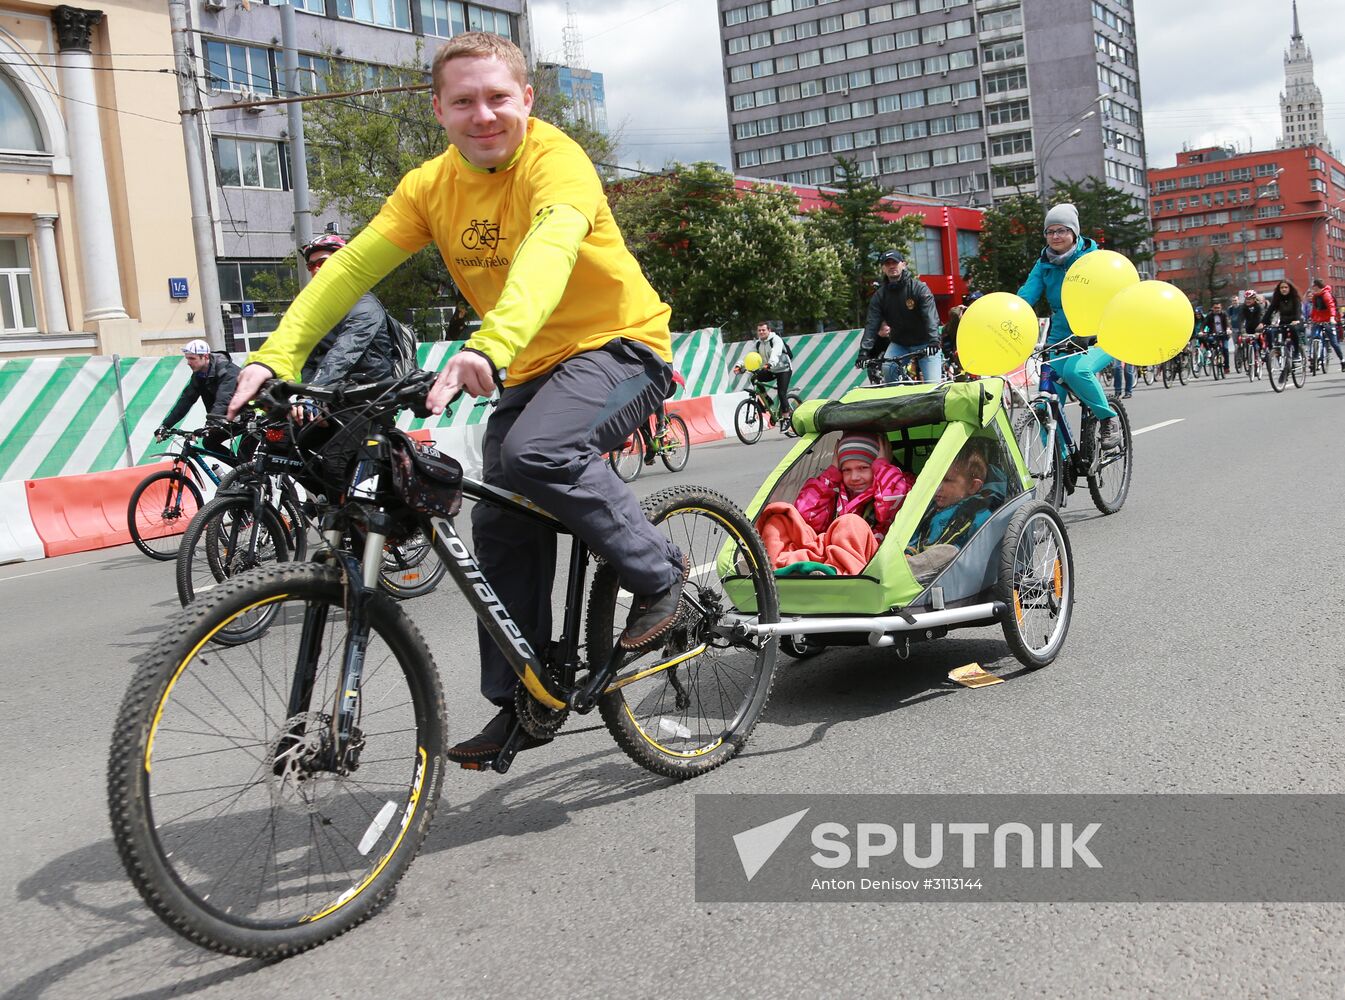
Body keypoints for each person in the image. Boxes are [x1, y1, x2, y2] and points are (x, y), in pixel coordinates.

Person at [227, 32, 683, 764]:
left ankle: (660, 576)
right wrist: (274, 358)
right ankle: (526, 699)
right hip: (526, 363)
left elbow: (550, 249)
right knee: (499, 522)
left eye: (499, 97)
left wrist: (487, 345)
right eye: (464, 101)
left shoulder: (555, 160)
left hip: (618, 347)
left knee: (540, 453)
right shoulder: (427, 188)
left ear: (525, 100)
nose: (484, 114)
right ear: (437, 109)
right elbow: (347, 273)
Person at [1016, 203, 1122, 451]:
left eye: (1062, 230)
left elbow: (1114, 295)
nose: (1055, 236)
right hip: (1061, 338)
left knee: (1077, 371)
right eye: (1050, 231)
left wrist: (1095, 331)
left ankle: (1109, 419)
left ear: (1074, 233)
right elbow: (1025, 297)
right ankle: (1061, 462)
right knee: (1045, 406)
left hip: (1100, 335)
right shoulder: (1043, 264)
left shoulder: (1093, 260)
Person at [755, 431, 913, 575]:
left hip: (867, 555)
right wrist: (832, 473)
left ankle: (837, 574)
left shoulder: (899, 484)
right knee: (779, 516)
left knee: (850, 522)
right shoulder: (837, 490)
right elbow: (805, 514)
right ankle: (776, 572)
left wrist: (882, 466)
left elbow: (890, 507)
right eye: (847, 470)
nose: (854, 477)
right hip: (829, 550)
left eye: (863, 468)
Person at [296, 234, 402, 388]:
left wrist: (314, 389)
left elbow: (344, 352)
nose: (316, 270)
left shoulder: (364, 304)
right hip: (334, 396)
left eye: (323, 262)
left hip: (370, 400)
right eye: (311, 266)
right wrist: (306, 394)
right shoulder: (322, 310)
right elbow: (310, 360)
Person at [904, 444, 993, 584]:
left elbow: (977, 556)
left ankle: (901, 574)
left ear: (973, 486)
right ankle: (903, 569)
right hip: (921, 567)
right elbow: (915, 537)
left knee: (949, 552)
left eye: (947, 480)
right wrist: (908, 553)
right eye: (936, 479)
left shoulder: (980, 515)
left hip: (951, 573)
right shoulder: (930, 510)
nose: (938, 487)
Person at [856, 250, 942, 384]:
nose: (892, 266)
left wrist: (934, 341)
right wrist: (864, 353)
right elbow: (872, 325)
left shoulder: (919, 289)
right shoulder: (879, 296)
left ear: (903, 265)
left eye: (895, 262)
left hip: (926, 342)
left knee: (934, 385)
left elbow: (930, 316)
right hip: (900, 343)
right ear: (883, 268)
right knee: (888, 369)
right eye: (887, 263)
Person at [157, 340, 241, 450]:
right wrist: (165, 425)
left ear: (205, 356)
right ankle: (239, 467)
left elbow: (223, 399)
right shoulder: (199, 375)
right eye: (187, 358)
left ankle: (244, 467)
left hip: (251, 420)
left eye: (192, 358)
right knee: (209, 443)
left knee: (244, 458)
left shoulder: (227, 372)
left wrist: (211, 423)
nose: (188, 362)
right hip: (230, 420)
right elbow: (186, 400)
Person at [738, 321, 793, 426]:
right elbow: (749, 355)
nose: (761, 332)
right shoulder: (758, 343)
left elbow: (775, 353)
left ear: (769, 330)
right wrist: (740, 366)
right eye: (759, 330)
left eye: (763, 330)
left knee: (781, 393)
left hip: (784, 369)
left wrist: (770, 364)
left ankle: (786, 420)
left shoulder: (776, 340)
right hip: (770, 369)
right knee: (754, 379)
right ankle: (769, 403)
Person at [1258, 279, 1305, 363]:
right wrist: (1262, 323)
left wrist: (1296, 320)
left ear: (1289, 288)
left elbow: (1298, 310)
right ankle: (1281, 358)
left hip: (1295, 321)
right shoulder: (1277, 299)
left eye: (1286, 287)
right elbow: (1270, 311)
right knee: (1276, 337)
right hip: (1284, 322)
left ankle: (1296, 353)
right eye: (1282, 287)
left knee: (1293, 331)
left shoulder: (1295, 298)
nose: (1284, 289)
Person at [1307, 277, 1345, 372]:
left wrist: (1332, 317)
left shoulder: (1326, 294)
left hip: (1328, 320)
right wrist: (1311, 318)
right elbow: (1315, 309)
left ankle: (1342, 360)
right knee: (1314, 337)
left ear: (1317, 286)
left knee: (1334, 343)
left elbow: (1331, 306)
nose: (1313, 288)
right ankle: (1315, 359)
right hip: (1318, 320)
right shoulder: (1315, 296)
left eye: (1314, 286)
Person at [1200, 300, 1232, 375]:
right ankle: (1213, 354)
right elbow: (1204, 323)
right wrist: (1201, 331)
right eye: (1215, 308)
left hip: (1223, 334)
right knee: (1210, 341)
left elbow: (1227, 322)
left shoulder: (1224, 314)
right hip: (1213, 334)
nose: (1217, 309)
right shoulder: (1210, 315)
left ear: (1221, 308)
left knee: (1225, 349)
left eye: (1218, 308)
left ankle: (1226, 367)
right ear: (1213, 308)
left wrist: (1228, 329)